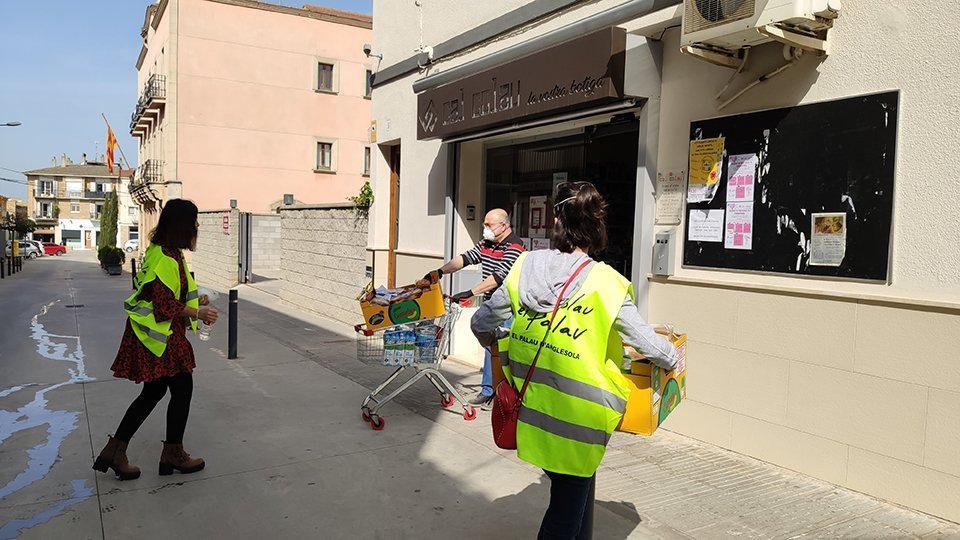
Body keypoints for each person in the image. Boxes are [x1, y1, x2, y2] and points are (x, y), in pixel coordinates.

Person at [471, 182, 677, 539]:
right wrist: (675, 356)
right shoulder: (606, 282)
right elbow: (648, 344)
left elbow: (481, 321)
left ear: (556, 222)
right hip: (579, 422)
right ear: (596, 227)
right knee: (565, 515)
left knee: (567, 496)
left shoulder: (524, 267)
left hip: (532, 410)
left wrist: (498, 346)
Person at [92, 199, 219, 480]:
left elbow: (168, 295)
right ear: (182, 225)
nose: (197, 227)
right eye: (194, 222)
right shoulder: (166, 257)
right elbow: (164, 306)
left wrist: (197, 299)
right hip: (159, 337)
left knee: (156, 392)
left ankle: (118, 450)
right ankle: (169, 454)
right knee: (178, 388)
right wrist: (198, 312)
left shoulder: (166, 252)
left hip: (156, 336)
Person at [429, 208, 524, 409]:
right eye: (484, 224)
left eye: (489, 225)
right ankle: (488, 391)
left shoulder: (515, 246)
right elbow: (464, 258)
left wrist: (470, 292)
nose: (485, 228)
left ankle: (503, 395)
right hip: (492, 304)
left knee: (505, 351)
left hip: (508, 306)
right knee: (492, 349)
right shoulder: (486, 244)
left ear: (504, 226)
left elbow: (499, 276)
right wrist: (440, 271)